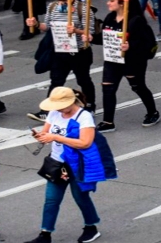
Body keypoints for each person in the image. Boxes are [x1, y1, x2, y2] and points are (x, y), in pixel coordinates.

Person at [25, 88, 104, 243]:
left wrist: (56, 137)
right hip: (57, 163)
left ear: (71, 102)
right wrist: (40, 136)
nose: (57, 109)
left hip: (77, 164)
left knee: (80, 197)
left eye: (61, 105)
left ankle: (91, 226)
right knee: (51, 199)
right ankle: (45, 234)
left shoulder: (84, 116)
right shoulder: (54, 113)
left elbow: (85, 143)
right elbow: (46, 132)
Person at [25, 0, 96, 121]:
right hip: (59, 51)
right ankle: (47, 111)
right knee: (56, 81)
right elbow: (48, 27)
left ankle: (89, 105)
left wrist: (76, 30)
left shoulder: (83, 9)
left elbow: (90, 33)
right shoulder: (52, 7)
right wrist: (37, 24)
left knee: (83, 80)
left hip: (79, 52)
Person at [96, 0, 159, 133]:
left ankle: (152, 112)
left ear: (122, 4)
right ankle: (108, 121)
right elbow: (104, 38)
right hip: (113, 60)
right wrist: (90, 37)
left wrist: (130, 46)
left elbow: (147, 43)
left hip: (133, 61)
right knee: (108, 88)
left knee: (138, 87)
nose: (108, 3)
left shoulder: (136, 21)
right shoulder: (109, 18)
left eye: (112, 0)